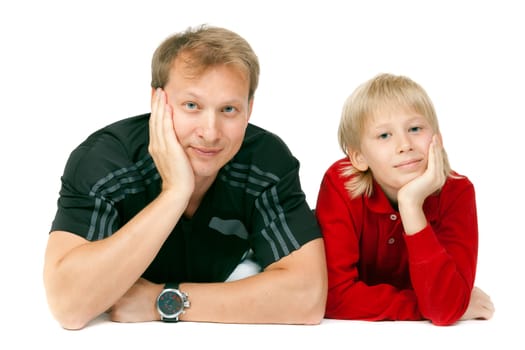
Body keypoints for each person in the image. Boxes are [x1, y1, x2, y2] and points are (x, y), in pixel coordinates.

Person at [44, 25, 327, 330]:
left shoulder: (266, 162)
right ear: (158, 101)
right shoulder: (105, 161)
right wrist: (175, 193)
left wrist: (163, 301)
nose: (210, 132)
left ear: (249, 109)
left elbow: (307, 297)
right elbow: (68, 306)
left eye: (229, 109)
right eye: (192, 106)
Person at [315, 73, 494, 326]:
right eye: (384, 136)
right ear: (359, 158)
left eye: (415, 129)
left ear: (437, 140)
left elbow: (444, 312)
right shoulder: (340, 184)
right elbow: (332, 296)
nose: (405, 144)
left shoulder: (458, 192)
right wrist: (430, 306)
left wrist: (410, 206)